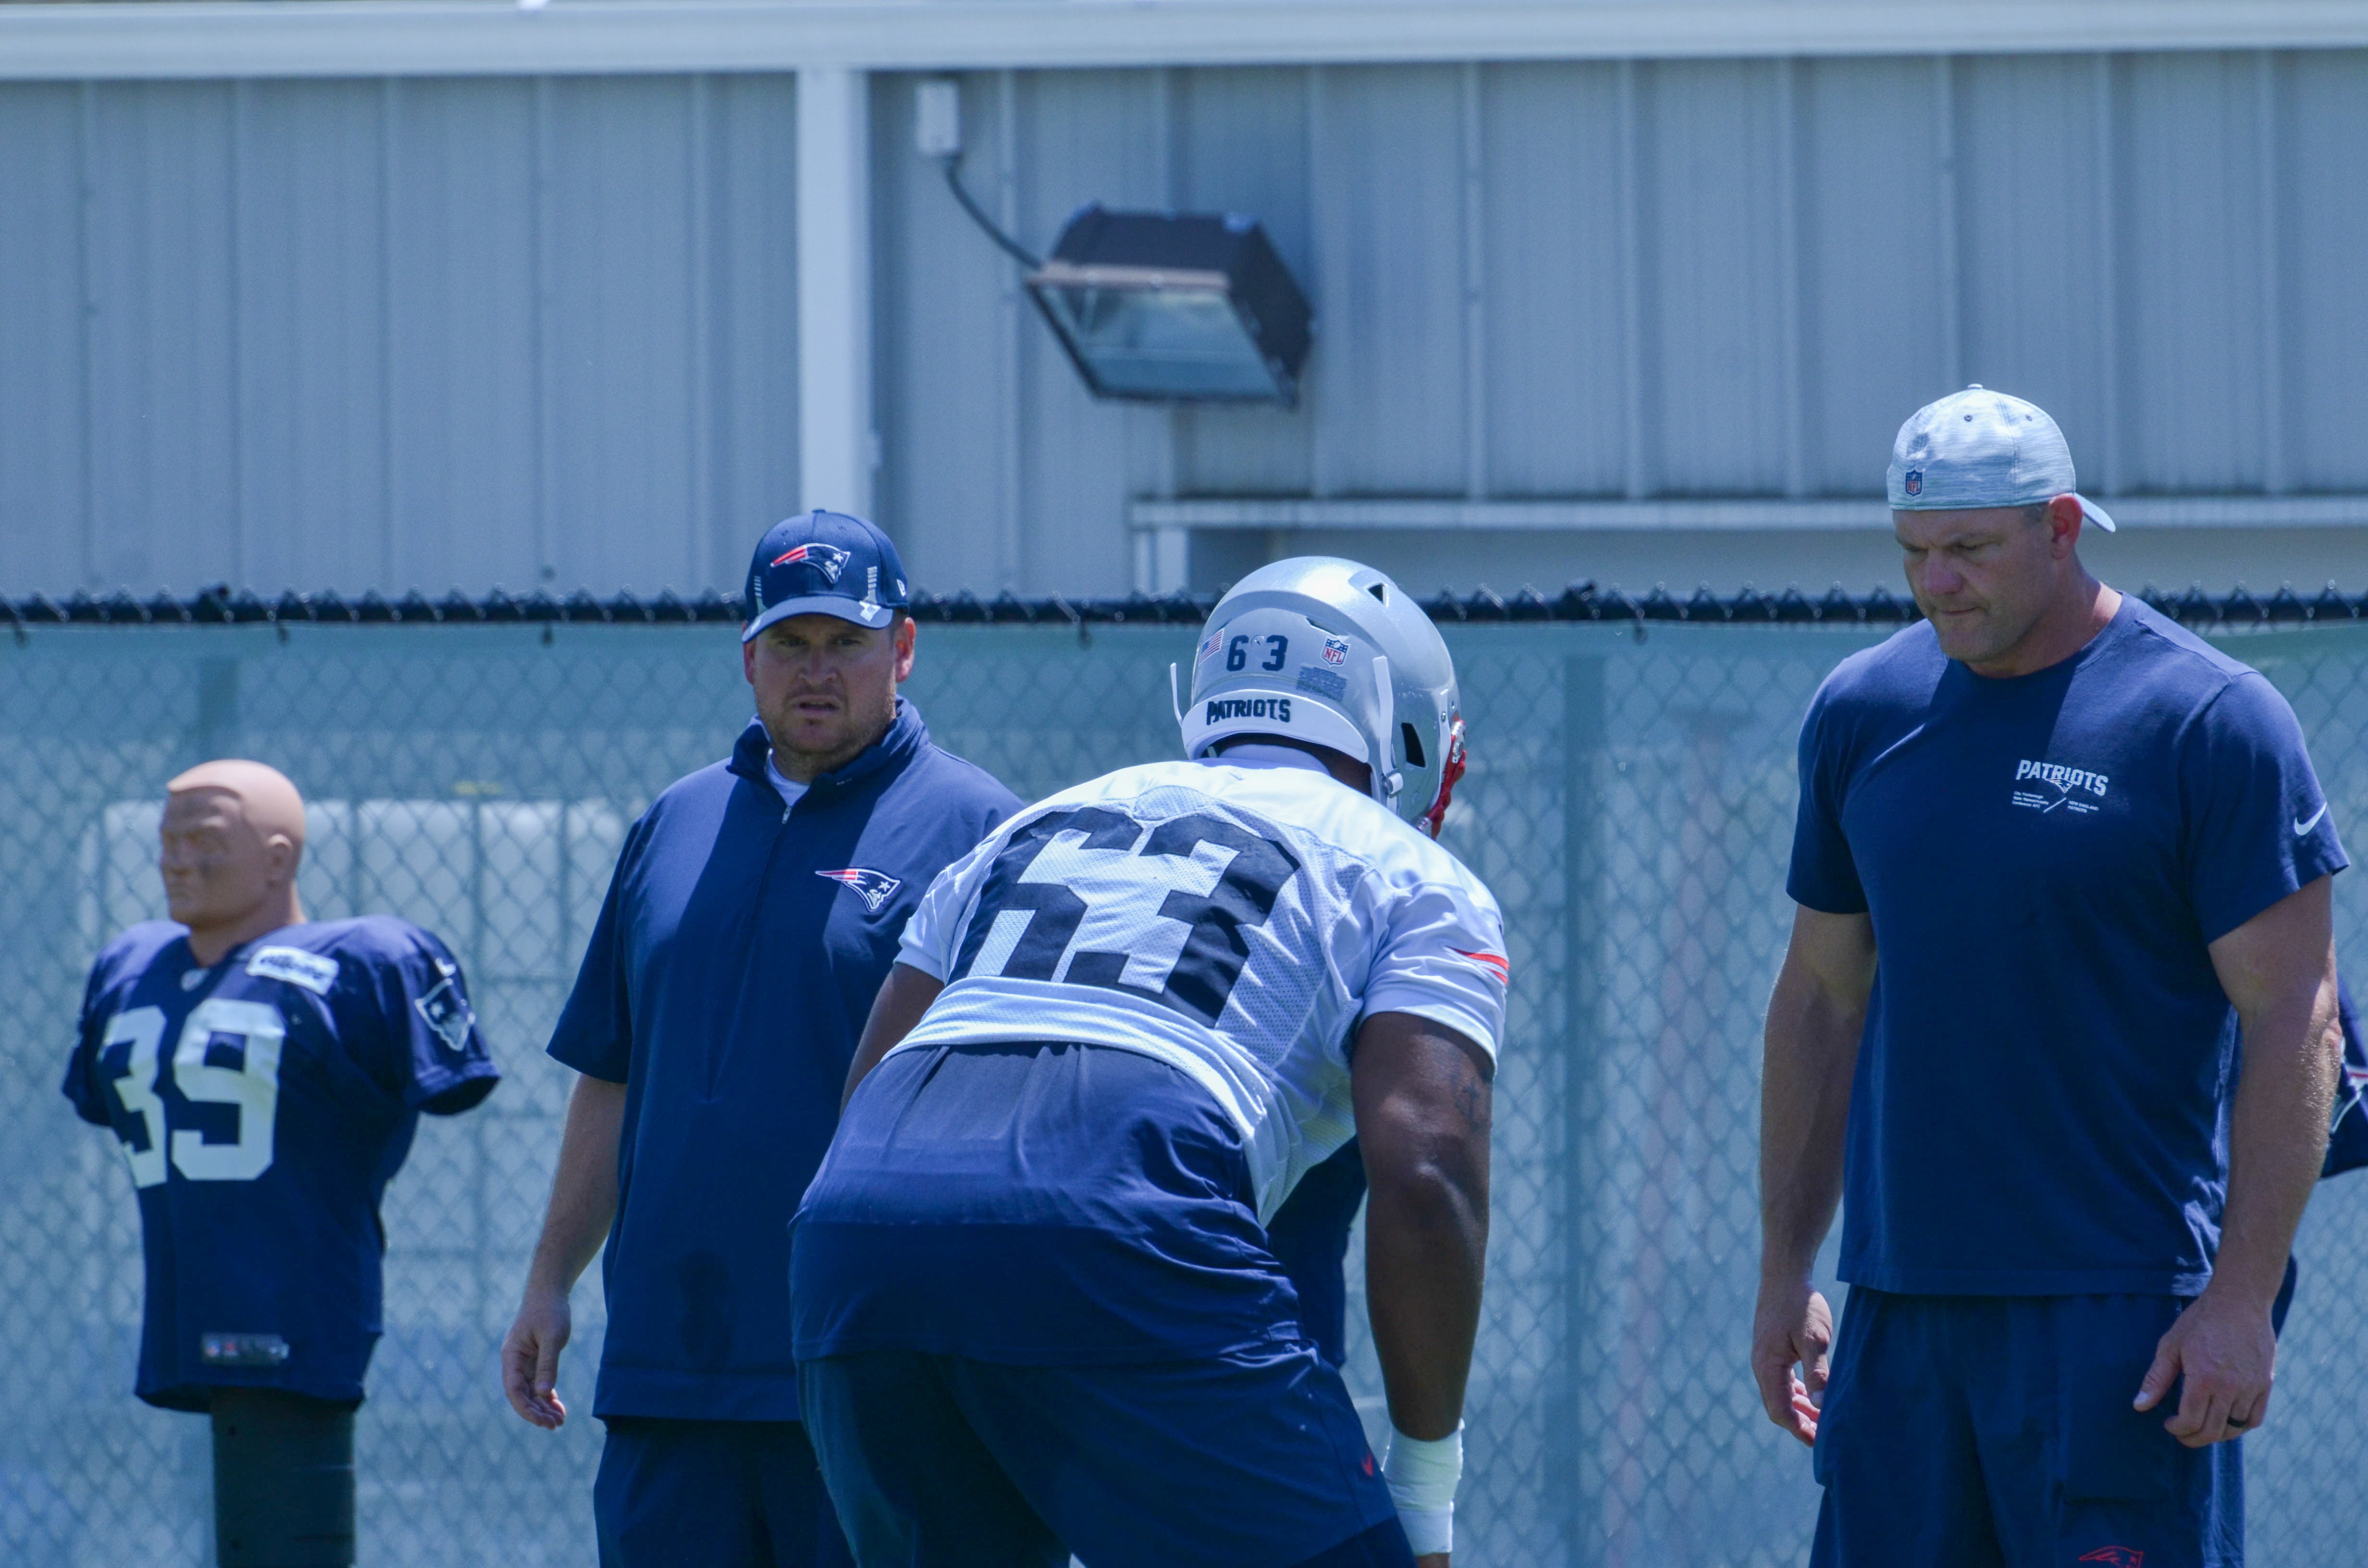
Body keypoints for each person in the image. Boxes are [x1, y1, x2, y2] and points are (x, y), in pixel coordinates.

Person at [791, 555, 1508, 1568]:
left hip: (860, 1232)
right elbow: (1429, 1173)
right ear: (1408, 728)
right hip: (1119, 1204)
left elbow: (867, 1100)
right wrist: (1426, 1496)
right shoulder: (1411, 877)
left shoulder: (1027, 829)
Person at [1753, 387, 2346, 1568]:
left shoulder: (2209, 720)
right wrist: (1784, 1272)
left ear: (2063, 526)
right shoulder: (1862, 714)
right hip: (1900, 1316)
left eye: (1971, 549)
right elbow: (1821, 999)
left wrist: (2239, 1300)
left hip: (2117, 1320)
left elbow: (2297, 1017)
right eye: (1915, 553)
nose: (1939, 582)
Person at [500, 510, 1021, 1568]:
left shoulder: (982, 830)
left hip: (869, 1368)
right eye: (790, 644)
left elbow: (1020, 1112)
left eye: (846, 644)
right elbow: (614, 1071)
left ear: (903, 650)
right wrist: (551, 1277)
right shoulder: (674, 822)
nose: (815, 672)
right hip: (668, 1366)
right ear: (749, 658)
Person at [64, 760, 499, 1568]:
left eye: (204, 839)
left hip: (304, 1306)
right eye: (168, 841)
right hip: (188, 1305)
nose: (178, 861)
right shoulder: (130, 970)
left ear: (278, 856)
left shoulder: (364, 963)